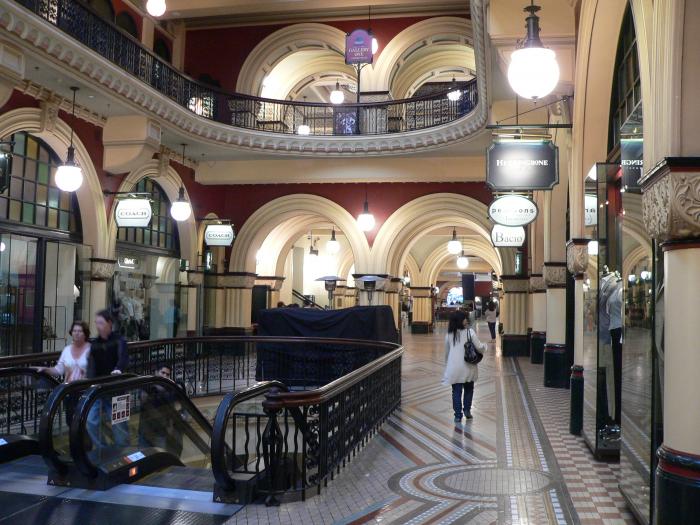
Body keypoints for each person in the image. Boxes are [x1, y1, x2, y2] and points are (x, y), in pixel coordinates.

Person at [86, 309, 130, 450]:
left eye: (101, 322)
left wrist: (118, 369)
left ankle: (123, 452)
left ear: (109, 323)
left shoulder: (119, 340)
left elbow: (123, 358)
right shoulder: (95, 344)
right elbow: (91, 366)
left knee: (120, 427)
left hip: (117, 391)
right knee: (90, 421)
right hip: (99, 389)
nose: (98, 326)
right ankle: (103, 449)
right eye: (96, 323)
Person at [39, 321, 91, 424]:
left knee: (85, 423)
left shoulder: (91, 349)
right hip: (70, 391)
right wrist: (45, 369)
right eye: (74, 331)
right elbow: (59, 370)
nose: (76, 333)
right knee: (71, 422)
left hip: (86, 392)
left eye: (80, 331)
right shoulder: (67, 350)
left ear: (85, 333)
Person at [443, 310, 487, 423]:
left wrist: (447, 365)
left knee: (456, 392)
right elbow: (479, 347)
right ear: (459, 320)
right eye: (464, 318)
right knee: (469, 389)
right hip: (468, 367)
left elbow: (447, 353)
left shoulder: (449, 334)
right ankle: (467, 410)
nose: (466, 320)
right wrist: (485, 347)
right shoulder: (469, 332)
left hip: (454, 368)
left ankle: (458, 415)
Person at [138, 364, 182, 455]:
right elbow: (143, 399)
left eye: (167, 374)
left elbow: (173, 403)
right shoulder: (148, 385)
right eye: (163, 373)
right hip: (146, 429)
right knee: (143, 455)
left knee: (159, 456)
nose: (165, 376)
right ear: (156, 372)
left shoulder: (170, 389)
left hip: (161, 430)